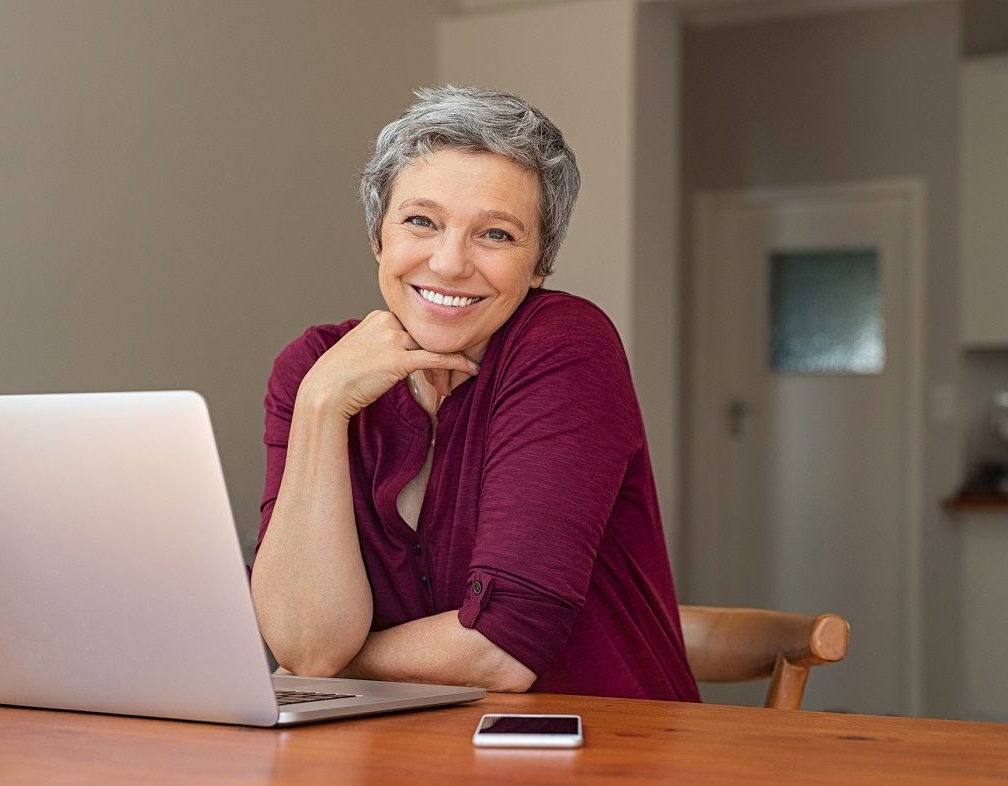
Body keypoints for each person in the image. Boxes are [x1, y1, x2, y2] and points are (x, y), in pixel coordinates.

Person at [251, 86, 698, 701]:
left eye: (496, 235)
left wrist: (340, 668)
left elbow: (503, 652)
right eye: (420, 221)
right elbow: (305, 644)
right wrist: (322, 404)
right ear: (378, 236)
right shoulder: (313, 366)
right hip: (400, 757)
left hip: (607, 749)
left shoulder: (565, 345)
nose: (451, 262)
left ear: (539, 264)